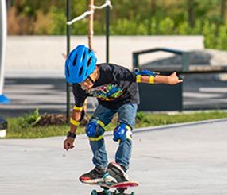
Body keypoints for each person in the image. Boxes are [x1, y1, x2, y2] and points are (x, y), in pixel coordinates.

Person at [63, 44, 183, 184]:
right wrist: (71, 135)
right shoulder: (79, 87)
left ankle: (120, 168)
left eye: (85, 80)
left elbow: (139, 77)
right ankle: (100, 169)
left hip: (127, 99)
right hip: (107, 103)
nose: (83, 86)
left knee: (123, 131)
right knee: (92, 129)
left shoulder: (112, 72)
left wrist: (167, 80)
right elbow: (78, 110)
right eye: (79, 83)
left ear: (93, 70)